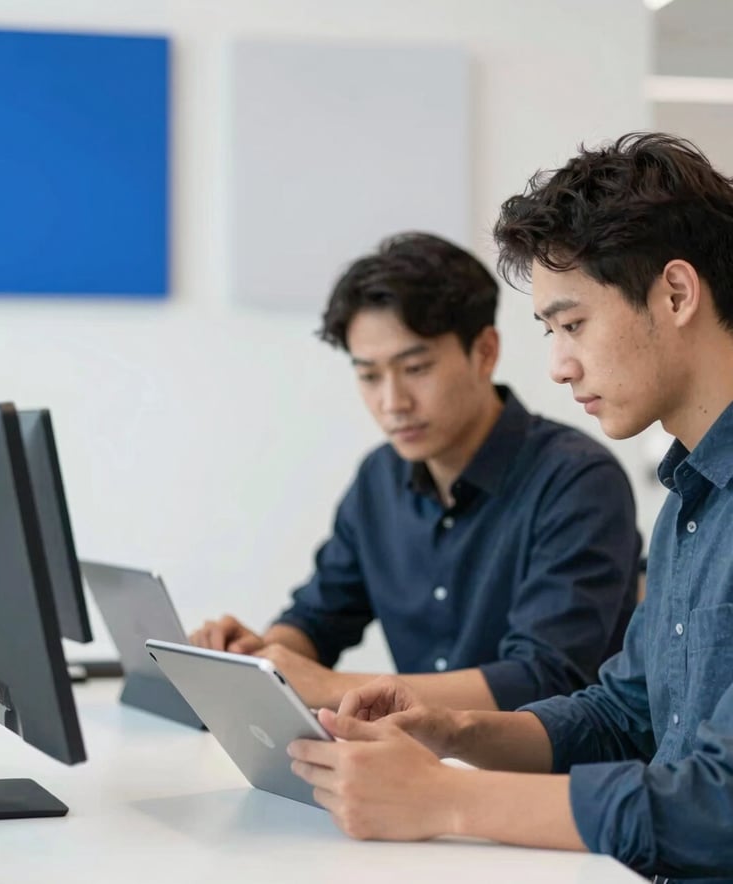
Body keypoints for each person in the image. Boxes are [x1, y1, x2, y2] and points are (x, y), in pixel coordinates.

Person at [287, 133, 733, 884]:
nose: (559, 366)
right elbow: (624, 715)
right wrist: (449, 731)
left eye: (573, 324)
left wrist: (447, 799)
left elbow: (715, 811)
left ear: (677, 293)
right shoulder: (691, 497)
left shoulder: (594, 478)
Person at [191, 232, 640, 711]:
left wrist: (327, 686)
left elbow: (543, 678)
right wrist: (260, 659)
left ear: (485, 352)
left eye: (417, 368)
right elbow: (318, 618)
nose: (392, 403)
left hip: (542, 778)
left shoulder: (578, 480)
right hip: (414, 764)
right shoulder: (378, 478)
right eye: (368, 376)